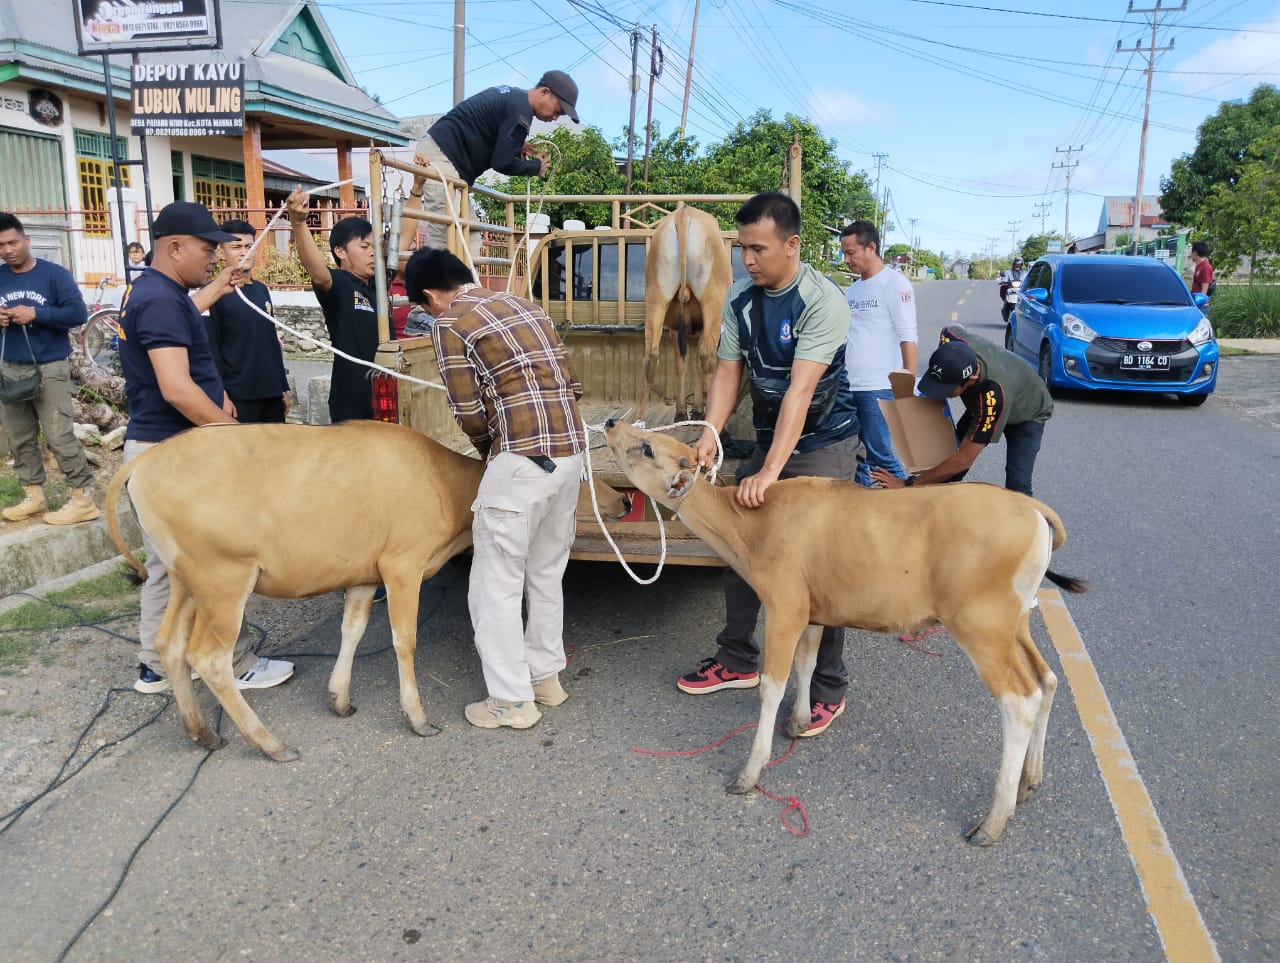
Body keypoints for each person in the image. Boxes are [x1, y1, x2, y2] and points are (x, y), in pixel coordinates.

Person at [680, 191, 863, 737]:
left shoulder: (822, 301)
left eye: (758, 249)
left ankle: (827, 687)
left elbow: (800, 393)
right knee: (740, 543)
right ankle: (736, 657)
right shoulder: (740, 299)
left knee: (820, 565)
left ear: (792, 245)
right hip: (769, 436)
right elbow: (729, 374)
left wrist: (769, 471)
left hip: (823, 441)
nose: (748, 260)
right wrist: (710, 434)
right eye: (742, 250)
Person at [403, 246, 586, 731]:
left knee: (494, 586)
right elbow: (571, 381)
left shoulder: (448, 322)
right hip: (571, 453)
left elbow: (466, 409)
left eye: (424, 308)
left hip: (522, 458)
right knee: (546, 573)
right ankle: (546, 679)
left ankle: (510, 702)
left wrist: (489, 449)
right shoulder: (525, 304)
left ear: (429, 296)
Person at [118, 200, 293, 695]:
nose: (213, 257)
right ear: (174, 247)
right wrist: (233, 435)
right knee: (216, 560)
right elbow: (176, 387)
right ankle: (231, 661)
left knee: (169, 563)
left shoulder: (157, 292)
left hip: (160, 449)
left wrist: (218, 286)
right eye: (206, 249)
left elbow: (185, 323)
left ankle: (156, 662)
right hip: (174, 452)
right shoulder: (159, 300)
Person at [0, 213, 101, 526]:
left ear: (26, 240)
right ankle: (33, 495)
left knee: (59, 435)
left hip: (50, 366)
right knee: (20, 436)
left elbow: (76, 313)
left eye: (13, 242)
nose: (7, 249)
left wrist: (35, 313)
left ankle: (83, 499)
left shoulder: (54, 275)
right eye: (1, 245)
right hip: (10, 367)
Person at [871, 325, 1053, 497]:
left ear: (971, 379)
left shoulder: (991, 398)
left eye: (946, 389)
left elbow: (963, 460)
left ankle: (1032, 526)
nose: (939, 393)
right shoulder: (950, 337)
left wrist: (908, 484)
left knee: (1017, 484)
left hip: (1028, 412)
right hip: (990, 395)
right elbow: (952, 326)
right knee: (945, 468)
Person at [410, 70, 579, 253]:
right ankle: (428, 280)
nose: (555, 117)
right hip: (441, 155)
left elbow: (488, 132)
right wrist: (534, 167)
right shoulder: (521, 111)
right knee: (444, 235)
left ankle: (464, 282)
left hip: (449, 161)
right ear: (544, 92)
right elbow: (502, 162)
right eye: (558, 110)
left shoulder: (515, 98)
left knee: (471, 240)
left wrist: (517, 145)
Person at [286, 188, 378, 423]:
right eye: (364, 247)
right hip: (351, 394)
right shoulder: (339, 283)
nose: (373, 253)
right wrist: (298, 223)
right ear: (340, 252)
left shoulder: (377, 286)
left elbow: (403, 240)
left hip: (384, 390)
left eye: (374, 247)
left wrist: (417, 189)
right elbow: (318, 273)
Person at [839, 219, 917, 487]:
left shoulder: (895, 283)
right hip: (851, 385)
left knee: (880, 454)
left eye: (851, 252)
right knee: (857, 455)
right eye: (844, 253)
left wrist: (907, 384)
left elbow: (908, 335)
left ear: (871, 247)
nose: (846, 259)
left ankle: (911, 502)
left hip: (878, 387)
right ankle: (866, 507)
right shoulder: (854, 289)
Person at [203, 219, 290, 423]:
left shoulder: (261, 290)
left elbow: (271, 340)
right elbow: (211, 349)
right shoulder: (215, 293)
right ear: (222, 253)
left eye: (249, 246)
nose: (244, 252)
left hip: (270, 392)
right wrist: (221, 395)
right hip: (240, 395)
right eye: (236, 247)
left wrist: (282, 386)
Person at [1189, 240, 1215, 305]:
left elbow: (1204, 290)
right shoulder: (1199, 266)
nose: (1191, 255)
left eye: (1191, 253)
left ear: (1195, 253)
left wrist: (1196, 304)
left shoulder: (1205, 267)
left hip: (1200, 305)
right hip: (1196, 301)